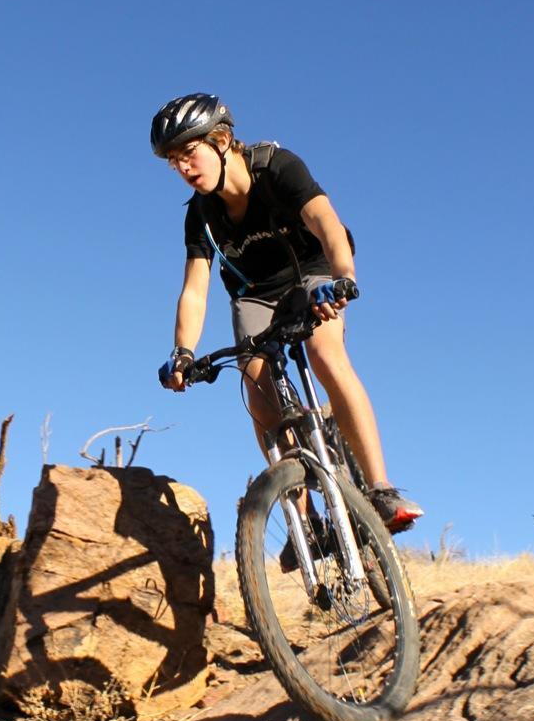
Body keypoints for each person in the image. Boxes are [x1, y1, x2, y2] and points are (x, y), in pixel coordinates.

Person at [152, 92, 423, 539]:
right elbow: (195, 289)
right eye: (173, 162)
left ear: (220, 140)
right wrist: (183, 352)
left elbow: (325, 221)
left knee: (324, 352)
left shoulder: (277, 167)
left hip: (312, 273)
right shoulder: (199, 215)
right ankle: (306, 525)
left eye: (188, 153)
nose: (182, 168)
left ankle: (380, 489)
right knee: (257, 390)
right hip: (254, 295)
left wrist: (344, 277)